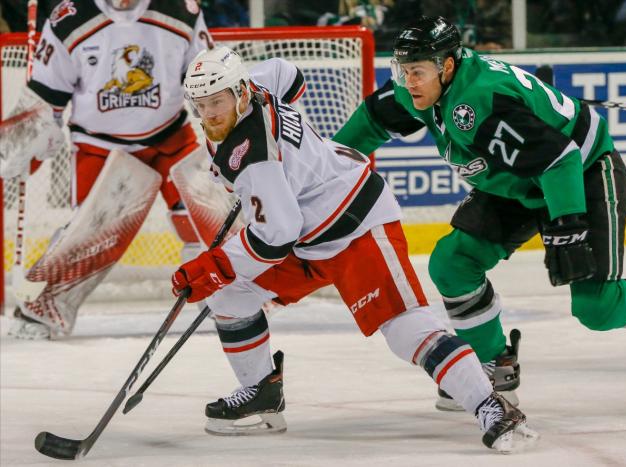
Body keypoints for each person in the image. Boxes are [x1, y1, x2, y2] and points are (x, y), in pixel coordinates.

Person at [170, 45, 539, 453]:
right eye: (201, 104)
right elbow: (288, 74)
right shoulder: (257, 87)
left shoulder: (254, 154)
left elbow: (276, 234)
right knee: (233, 295)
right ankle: (260, 395)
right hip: (310, 236)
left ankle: (491, 406)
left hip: (355, 226)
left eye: (217, 101)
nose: (210, 113)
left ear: (239, 93)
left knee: (404, 330)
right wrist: (295, 163)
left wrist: (217, 263)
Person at [333, 15, 626, 410]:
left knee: (596, 307)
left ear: (448, 66)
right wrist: (326, 173)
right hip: (515, 184)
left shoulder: (480, 102)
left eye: (418, 71)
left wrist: (568, 226)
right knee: (452, 264)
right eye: (403, 70)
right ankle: (493, 362)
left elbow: (560, 159)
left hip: (585, 172)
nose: (409, 82)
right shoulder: (419, 89)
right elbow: (371, 121)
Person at [0, 0, 212, 339]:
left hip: (170, 138)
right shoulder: (70, 17)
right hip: (101, 147)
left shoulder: (180, 9)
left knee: (208, 218)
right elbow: (46, 93)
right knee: (92, 239)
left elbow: (206, 77)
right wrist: (16, 146)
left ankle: (227, 295)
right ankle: (42, 311)